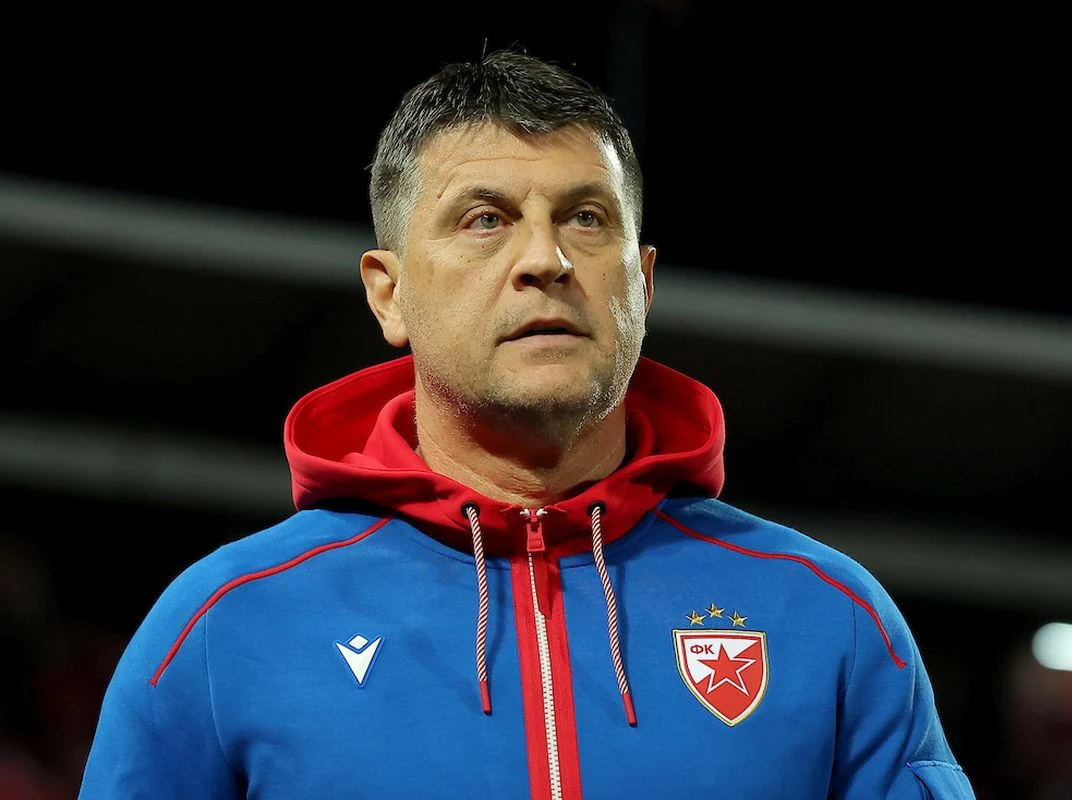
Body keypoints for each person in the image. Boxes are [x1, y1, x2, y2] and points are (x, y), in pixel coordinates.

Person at [78, 48, 976, 799]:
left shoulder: (828, 618)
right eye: (485, 220)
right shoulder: (226, 625)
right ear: (389, 294)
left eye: (585, 218)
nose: (545, 259)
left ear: (643, 283)